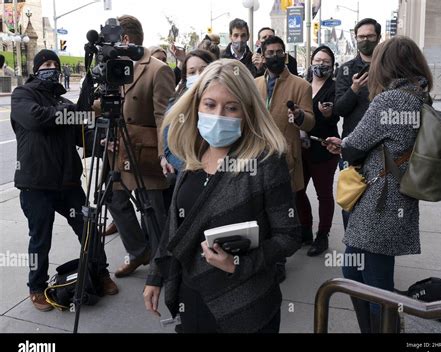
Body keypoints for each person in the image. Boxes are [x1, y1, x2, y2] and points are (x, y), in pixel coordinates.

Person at [143, 59, 301, 333]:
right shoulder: (193, 150)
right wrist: (156, 275)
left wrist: (238, 264)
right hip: (192, 297)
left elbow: (289, 236)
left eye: (231, 107)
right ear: (197, 105)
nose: (218, 115)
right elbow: (176, 224)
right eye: (210, 104)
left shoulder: (265, 161)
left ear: (247, 111)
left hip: (245, 305)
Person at [325, 36, 433, 333]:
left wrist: (344, 144)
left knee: (374, 284)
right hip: (396, 199)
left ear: (386, 65)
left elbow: (355, 146)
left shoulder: (391, 99)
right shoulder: (420, 95)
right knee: (360, 271)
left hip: (379, 202)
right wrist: (347, 144)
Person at [11, 49, 118, 311]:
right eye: (45, 63)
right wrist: (69, 115)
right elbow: (36, 119)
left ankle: (100, 273)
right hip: (36, 184)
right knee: (40, 238)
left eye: (54, 64)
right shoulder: (22, 95)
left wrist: (100, 140)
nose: (51, 67)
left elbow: (80, 136)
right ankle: (36, 288)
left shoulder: (65, 103)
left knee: (87, 229)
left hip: (68, 183)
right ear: (36, 69)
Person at [103, 15, 175, 278]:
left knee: (152, 209)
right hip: (117, 149)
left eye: (111, 38)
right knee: (112, 197)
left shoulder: (157, 69)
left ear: (125, 39)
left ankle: (162, 267)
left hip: (144, 153)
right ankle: (138, 251)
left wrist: (163, 153)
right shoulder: (115, 67)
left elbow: (164, 117)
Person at [254, 35, 314, 281]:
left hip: (285, 160)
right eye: (270, 52)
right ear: (263, 55)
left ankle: (278, 261)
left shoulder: (301, 86)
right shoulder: (254, 83)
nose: (275, 56)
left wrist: (300, 116)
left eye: (279, 52)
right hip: (256, 159)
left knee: (281, 214)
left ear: (285, 54)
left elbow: (310, 121)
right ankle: (261, 258)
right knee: (259, 213)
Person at [334, 18, 382, 230]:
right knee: (351, 199)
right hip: (352, 147)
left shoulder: (388, 67)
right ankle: (352, 245)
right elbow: (339, 109)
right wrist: (353, 89)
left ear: (378, 37)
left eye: (369, 36)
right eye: (361, 37)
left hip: (383, 148)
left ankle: (374, 245)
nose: (365, 40)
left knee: (380, 201)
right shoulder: (346, 70)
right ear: (355, 39)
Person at [297, 46, 340, 255]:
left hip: (324, 148)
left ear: (332, 67)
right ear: (311, 61)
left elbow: (338, 114)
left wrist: (329, 113)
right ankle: (305, 229)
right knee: (298, 190)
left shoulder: (335, 87)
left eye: (326, 62)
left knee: (324, 194)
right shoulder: (303, 85)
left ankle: (322, 235)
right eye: (318, 60)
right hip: (301, 148)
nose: (321, 64)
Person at [161, 49, 217, 176]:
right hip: (188, 174)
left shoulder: (223, 102)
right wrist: (191, 168)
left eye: (203, 70)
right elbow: (168, 148)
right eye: (192, 72)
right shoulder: (175, 105)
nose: (198, 75)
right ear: (185, 77)